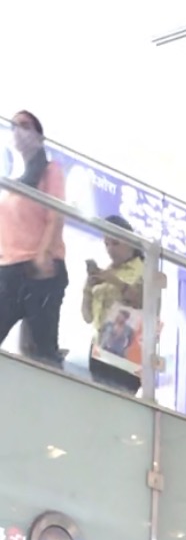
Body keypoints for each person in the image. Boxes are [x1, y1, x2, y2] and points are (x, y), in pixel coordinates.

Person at [0, 112, 68, 364]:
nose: (18, 131)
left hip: (39, 269)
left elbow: (55, 215)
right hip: (9, 270)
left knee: (43, 351)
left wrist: (44, 254)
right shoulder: (15, 184)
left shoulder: (50, 171)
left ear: (39, 136)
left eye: (25, 125)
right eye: (14, 126)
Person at [81, 214, 143, 393]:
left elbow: (143, 301)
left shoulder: (144, 271)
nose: (110, 250)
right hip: (99, 347)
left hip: (126, 350)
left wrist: (115, 281)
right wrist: (88, 288)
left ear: (130, 242)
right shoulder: (106, 272)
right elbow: (87, 317)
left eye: (115, 244)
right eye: (106, 244)